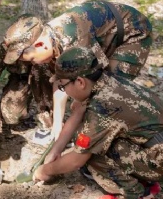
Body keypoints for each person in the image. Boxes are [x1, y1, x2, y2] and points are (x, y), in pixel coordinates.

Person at [33, 46, 163, 199]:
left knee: (92, 152)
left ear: (80, 82)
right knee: (88, 138)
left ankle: (136, 192)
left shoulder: (102, 107)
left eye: (63, 86)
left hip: (157, 159)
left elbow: (76, 160)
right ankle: (142, 179)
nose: (65, 91)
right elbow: (78, 112)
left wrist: (44, 171)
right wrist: (56, 151)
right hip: (153, 146)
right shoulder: (107, 81)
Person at [19, 1, 153, 140]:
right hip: (106, 34)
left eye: (33, 59)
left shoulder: (76, 39)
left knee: (110, 89)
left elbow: (95, 78)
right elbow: (61, 81)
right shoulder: (50, 39)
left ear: (40, 45)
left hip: (133, 30)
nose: (33, 62)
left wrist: (81, 104)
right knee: (85, 97)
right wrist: (57, 124)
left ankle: (113, 135)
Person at [0, 14, 54, 145]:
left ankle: (47, 116)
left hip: (47, 80)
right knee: (11, 116)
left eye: (22, 53)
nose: (19, 57)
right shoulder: (7, 47)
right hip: (21, 79)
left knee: (42, 71)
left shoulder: (49, 45)